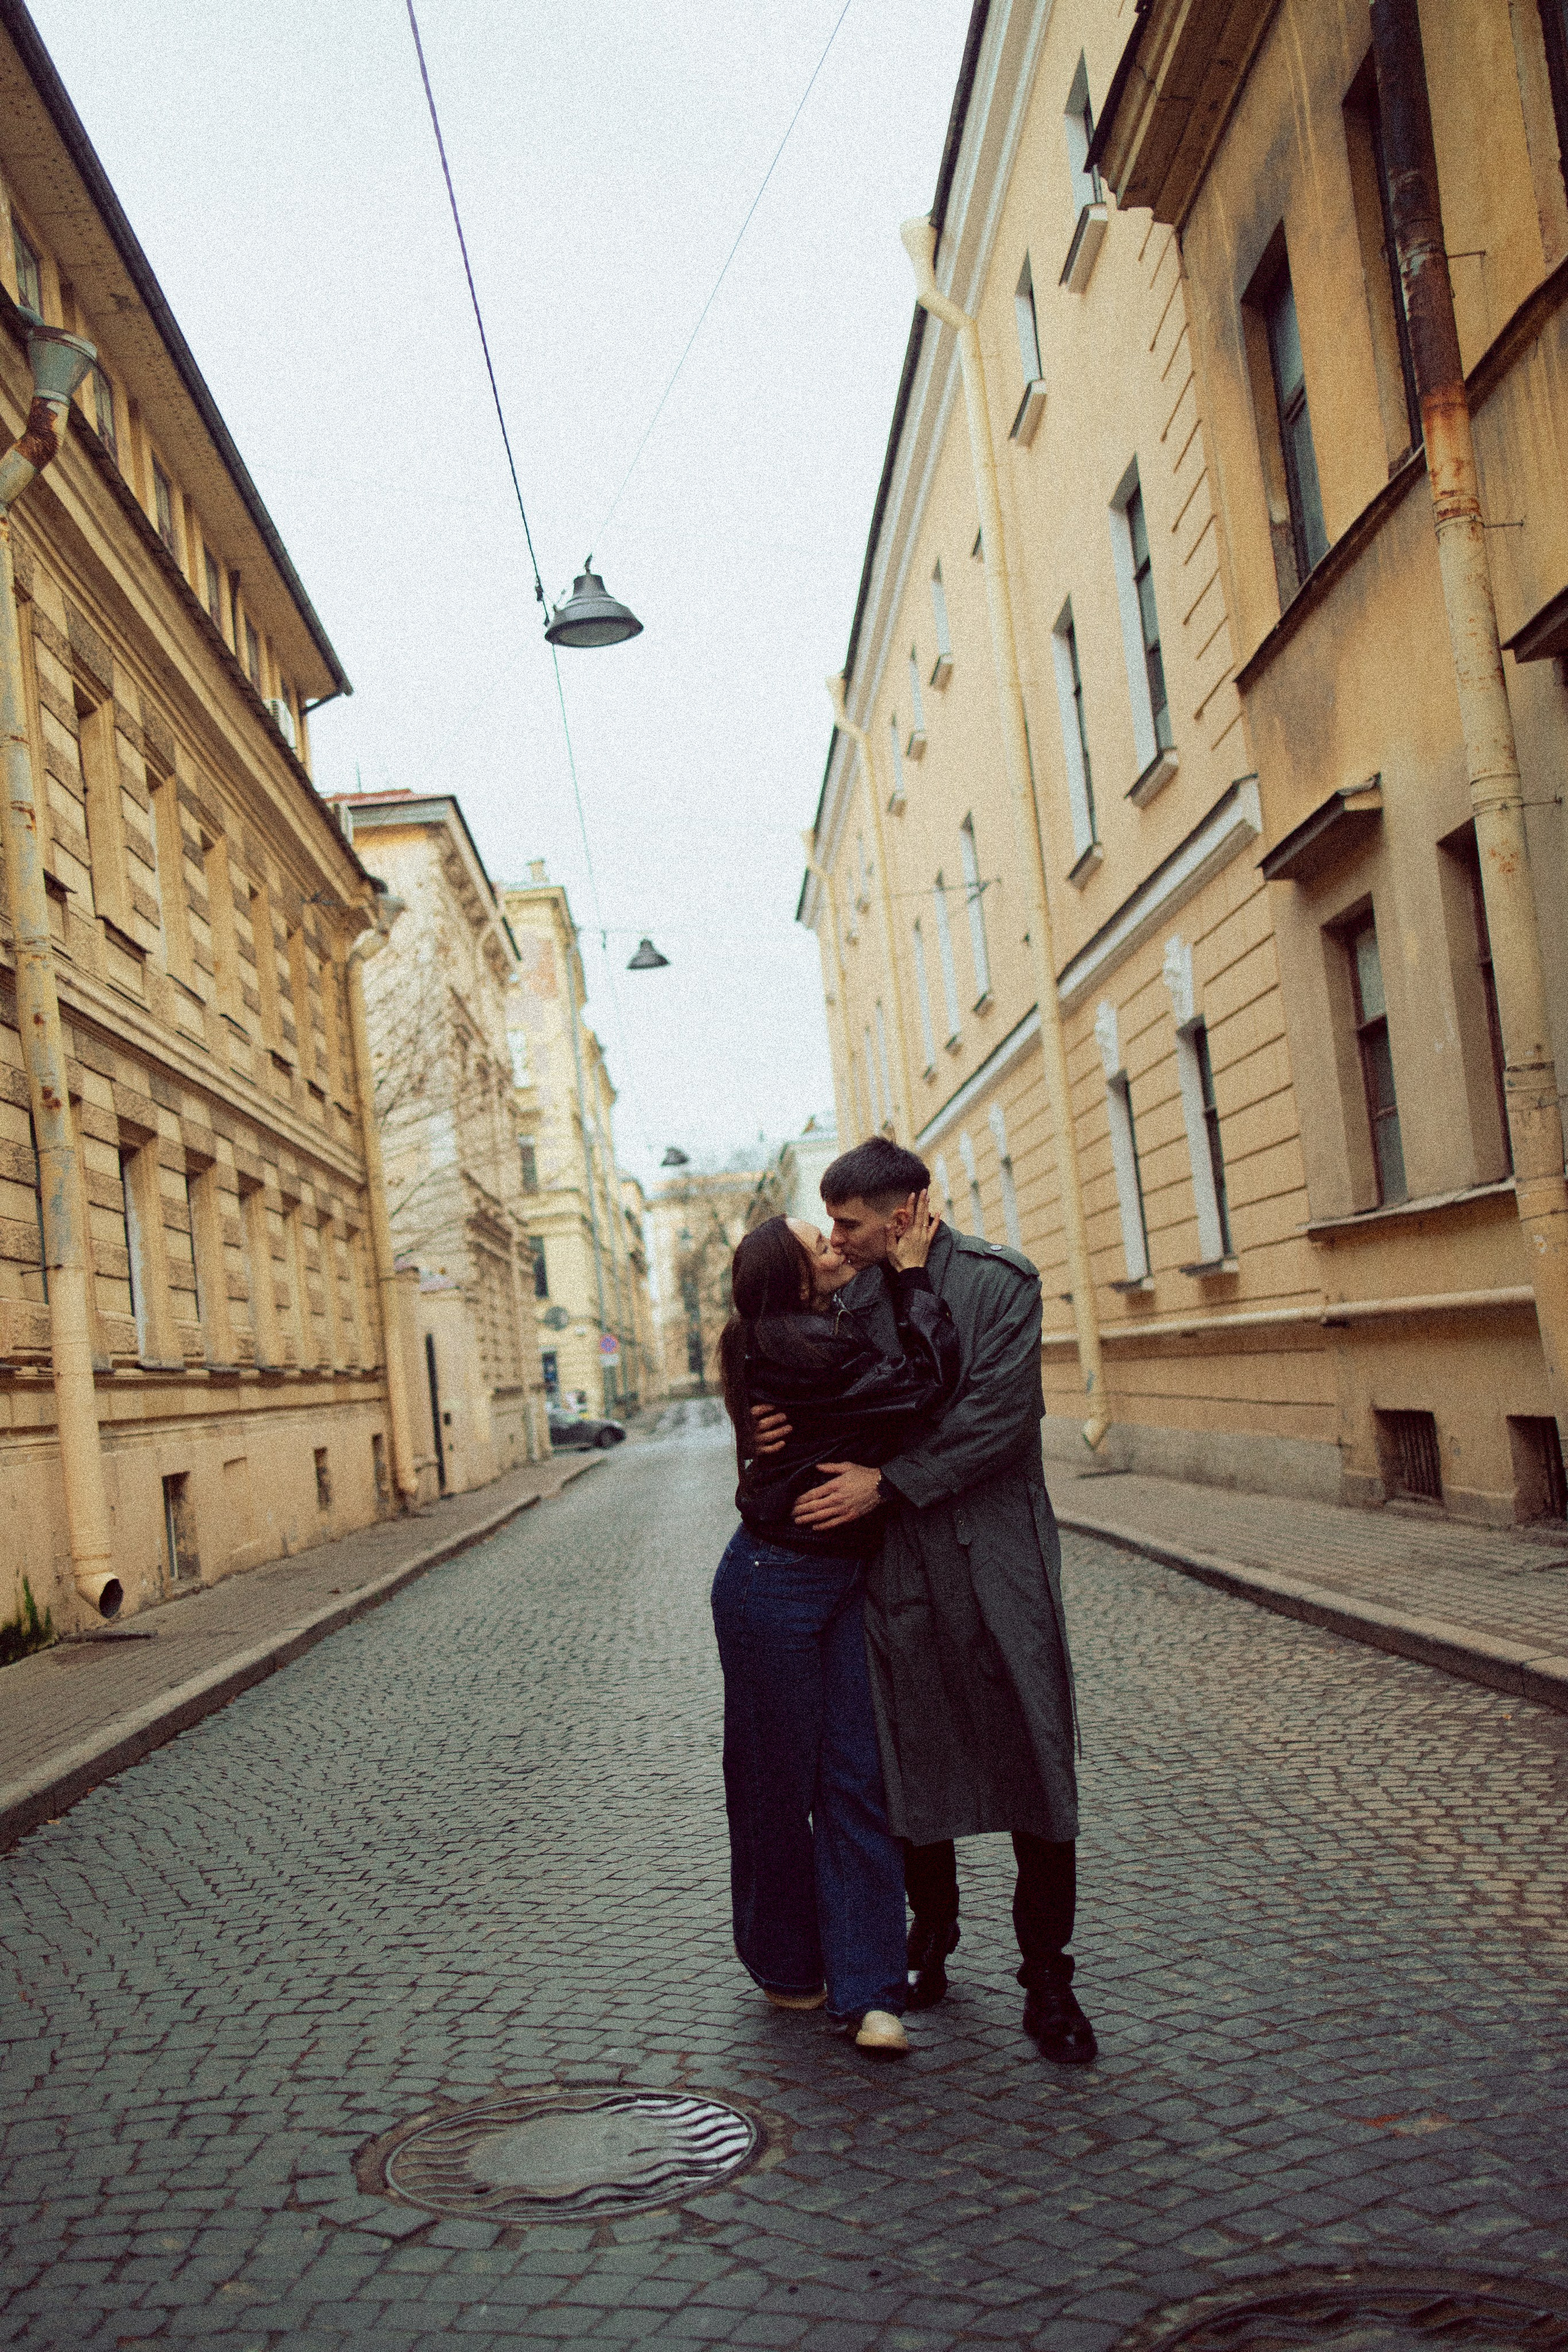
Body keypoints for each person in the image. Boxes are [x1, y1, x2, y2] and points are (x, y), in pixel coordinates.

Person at [755, 1136, 1096, 2065]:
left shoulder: (1000, 1282)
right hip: (898, 1566)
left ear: (901, 1214)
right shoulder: (849, 1301)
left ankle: (1049, 1980)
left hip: (998, 1560)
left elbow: (999, 1419)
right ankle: (930, 1937)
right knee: (906, 1762)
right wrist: (769, 1421)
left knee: (1036, 1760)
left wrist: (889, 1481)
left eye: (848, 1223)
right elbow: (804, 1385)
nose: (835, 1239)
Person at [711, 1199, 959, 2056]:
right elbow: (923, 1386)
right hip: (774, 1585)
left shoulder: (802, 1334)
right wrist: (915, 1276)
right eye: (819, 1243)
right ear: (792, 1276)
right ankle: (788, 1965)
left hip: (841, 1578)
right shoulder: (795, 1341)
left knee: (858, 1778)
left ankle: (871, 1992)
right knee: (777, 1785)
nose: (835, 1245)